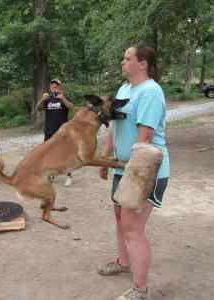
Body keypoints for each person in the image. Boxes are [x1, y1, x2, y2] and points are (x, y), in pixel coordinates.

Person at [98, 45, 170, 300]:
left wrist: (131, 172)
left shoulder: (150, 91)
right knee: (120, 216)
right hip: (123, 167)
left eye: (127, 59)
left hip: (145, 170)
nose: (122, 62)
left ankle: (140, 290)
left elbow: (146, 137)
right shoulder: (125, 89)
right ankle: (123, 261)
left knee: (132, 228)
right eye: (123, 58)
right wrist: (106, 158)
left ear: (142, 63)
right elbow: (114, 123)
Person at [36, 79, 74, 186]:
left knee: (65, 154)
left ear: (60, 87)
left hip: (63, 131)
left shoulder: (63, 97)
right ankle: (51, 174)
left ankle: (69, 176)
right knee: (48, 154)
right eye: (52, 86)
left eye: (56, 86)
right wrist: (42, 100)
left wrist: (63, 99)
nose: (54, 88)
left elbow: (71, 107)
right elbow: (38, 108)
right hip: (49, 131)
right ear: (50, 88)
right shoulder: (47, 99)